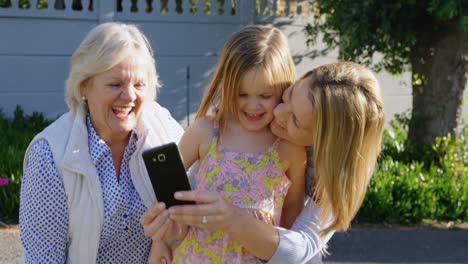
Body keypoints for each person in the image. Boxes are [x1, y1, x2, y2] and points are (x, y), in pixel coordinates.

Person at [142, 61, 385, 263]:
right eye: (288, 96)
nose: (278, 114)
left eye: (296, 122)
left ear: (323, 143)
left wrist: (232, 218)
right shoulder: (238, 119)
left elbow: (298, 250)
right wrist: (161, 239)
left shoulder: (330, 179)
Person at [19, 22, 184, 263]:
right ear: (84, 85)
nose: (129, 97)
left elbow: (195, 213)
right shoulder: (50, 154)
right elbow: (43, 258)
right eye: (115, 84)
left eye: (139, 85)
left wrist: (167, 237)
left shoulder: (164, 130)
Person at [147, 24, 307, 264]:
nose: (253, 106)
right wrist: (159, 242)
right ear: (227, 85)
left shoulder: (288, 147)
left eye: (265, 96)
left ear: (284, 91)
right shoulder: (206, 132)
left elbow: (293, 213)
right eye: (242, 94)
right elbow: (167, 192)